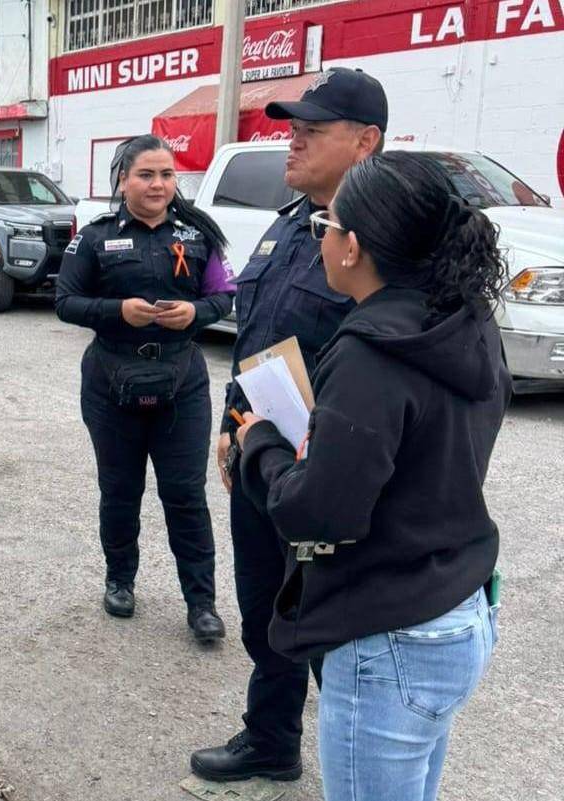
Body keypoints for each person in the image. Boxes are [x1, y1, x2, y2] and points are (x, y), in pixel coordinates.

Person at [235, 151, 509, 800]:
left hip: (389, 637)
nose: (319, 239)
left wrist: (260, 444)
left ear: (352, 247)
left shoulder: (370, 353)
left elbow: (317, 514)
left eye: (324, 225)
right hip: (457, 610)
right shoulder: (466, 321)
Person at [190, 66, 388, 782]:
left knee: (330, 626)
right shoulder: (290, 222)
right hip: (260, 454)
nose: (292, 141)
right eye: (292, 128)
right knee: (265, 610)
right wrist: (230, 422)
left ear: (365, 141)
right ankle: (272, 740)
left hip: (324, 470)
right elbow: (258, 336)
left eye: (312, 130)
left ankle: (361, 771)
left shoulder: (384, 239)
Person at [56, 134, 233, 642]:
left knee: (186, 495)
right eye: (146, 175)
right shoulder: (95, 238)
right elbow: (65, 301)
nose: (158, 185)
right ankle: (120, 581)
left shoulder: (198, 234)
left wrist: (195, 312)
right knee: (120, 490)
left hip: (181, 384)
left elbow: (224, 295)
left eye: (167, 175)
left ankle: (201, 604)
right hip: (111, 385)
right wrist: (118, 311)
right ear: (123, 180)